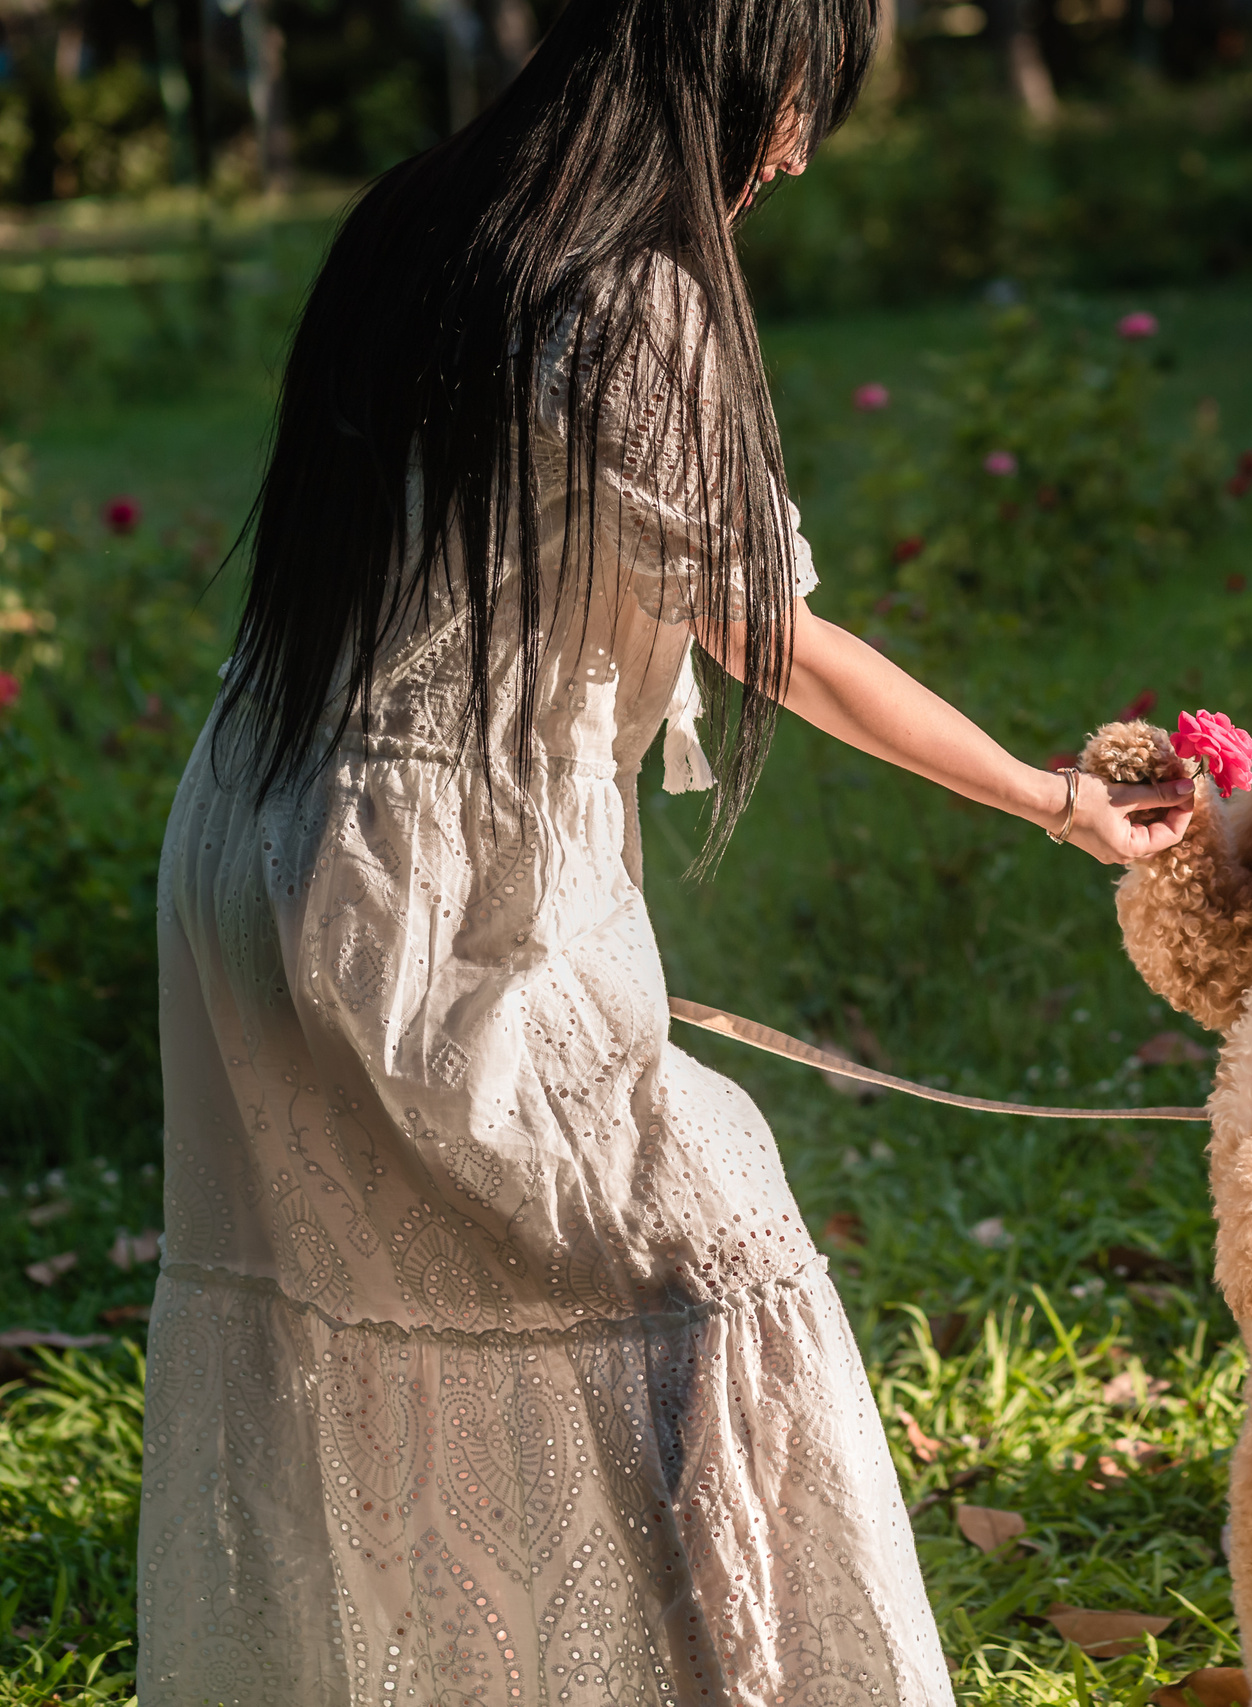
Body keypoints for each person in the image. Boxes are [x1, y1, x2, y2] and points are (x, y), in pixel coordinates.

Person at [138, 0, 1195, 1695]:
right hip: (432, 885)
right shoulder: (632, 296)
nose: (797, 146)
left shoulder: (417, 222)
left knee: (374, 1333)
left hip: (259, 836)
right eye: (798, 98)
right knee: (710, 1262)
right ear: (726, 70)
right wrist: (1046, 793)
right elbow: (765, 630)